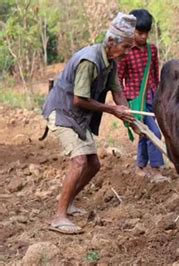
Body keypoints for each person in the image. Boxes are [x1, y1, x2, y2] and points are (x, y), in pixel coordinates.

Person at [42, 12, 139, 234]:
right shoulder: (90, 60)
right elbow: (79, 99)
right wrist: (113, 110)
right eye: (125, 47)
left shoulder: (111, 61)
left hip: (76, 115)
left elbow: (117, 92)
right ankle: (59, 216)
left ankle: (70, 202)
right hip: (63, 111)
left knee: (94, 164)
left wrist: (131, 120)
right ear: (112, 42)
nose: (127, 53)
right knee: (79, 162)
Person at [118, 9, 166, 179]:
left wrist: (160, 96)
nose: (143, 37)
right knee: (154, 133)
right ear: (131, 31)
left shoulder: (152, 50)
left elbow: (155, 74)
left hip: (152, 96)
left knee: (145, 133)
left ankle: (140, 166)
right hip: (135, 100)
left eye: (146, 33)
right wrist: (124, 104)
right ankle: (156, 169)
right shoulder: (125, 52)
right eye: (139, 33)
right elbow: (118, 79)